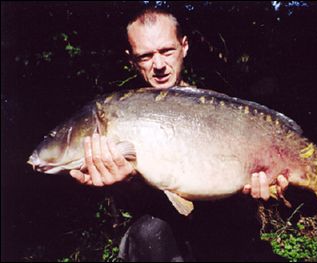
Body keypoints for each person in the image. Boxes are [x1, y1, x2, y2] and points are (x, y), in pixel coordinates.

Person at [70, 8, 289, 261]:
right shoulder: (125, 119)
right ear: (131, 60)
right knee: (147, 233)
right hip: (172, 240)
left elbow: (241, 211)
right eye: (146, 56)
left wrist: (260, 191)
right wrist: (126, 184)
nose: (159, 65)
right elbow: (142, 210)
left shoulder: (219, 109)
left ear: (184, 46)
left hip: (229, 235)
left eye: (166, 51)